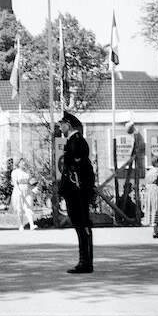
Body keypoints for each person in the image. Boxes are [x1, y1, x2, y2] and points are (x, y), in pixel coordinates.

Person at [58, 111, 96, 273]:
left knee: (82, 225)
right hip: (74, 191)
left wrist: (81, 188)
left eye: (62, 124)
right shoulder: (73, 141)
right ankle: (84, 261)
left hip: (78, 191)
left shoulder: (77, 141)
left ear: (69, 125)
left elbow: (79, 169)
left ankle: (85, 262)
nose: (60, 127)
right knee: (80, 225)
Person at [10, 157, 37, 230]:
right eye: (22, 162)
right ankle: (21, 225)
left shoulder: (27, 172)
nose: (24, 163)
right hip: (18, 191)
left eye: (24, 162)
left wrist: (33, 188)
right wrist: (18, 190)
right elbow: (15, 183)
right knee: (19, 208)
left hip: (27, 191)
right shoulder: (15, 172)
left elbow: (30, 182)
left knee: (29, 207)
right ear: (18, 163)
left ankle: (32, 225)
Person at [144, 162, 158, 238]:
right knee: (157, 208)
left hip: (149, 191)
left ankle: (155, 231)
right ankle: (155, 232)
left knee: (152, 209)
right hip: (155, 190)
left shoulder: (149, 171)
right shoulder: (157, 170)